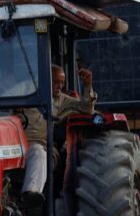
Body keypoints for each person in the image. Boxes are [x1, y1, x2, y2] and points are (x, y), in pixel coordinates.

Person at [21, 65, 98, 203]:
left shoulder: (61, 99)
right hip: (16, 144)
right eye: (56, 81)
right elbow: (5, 99)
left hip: (43, 145)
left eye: (62, 82)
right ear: (44, 79)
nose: (60, 86)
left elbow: (87, 109)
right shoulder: (25, 90)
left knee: (38, 152)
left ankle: (31, 194)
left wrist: (87, 85)